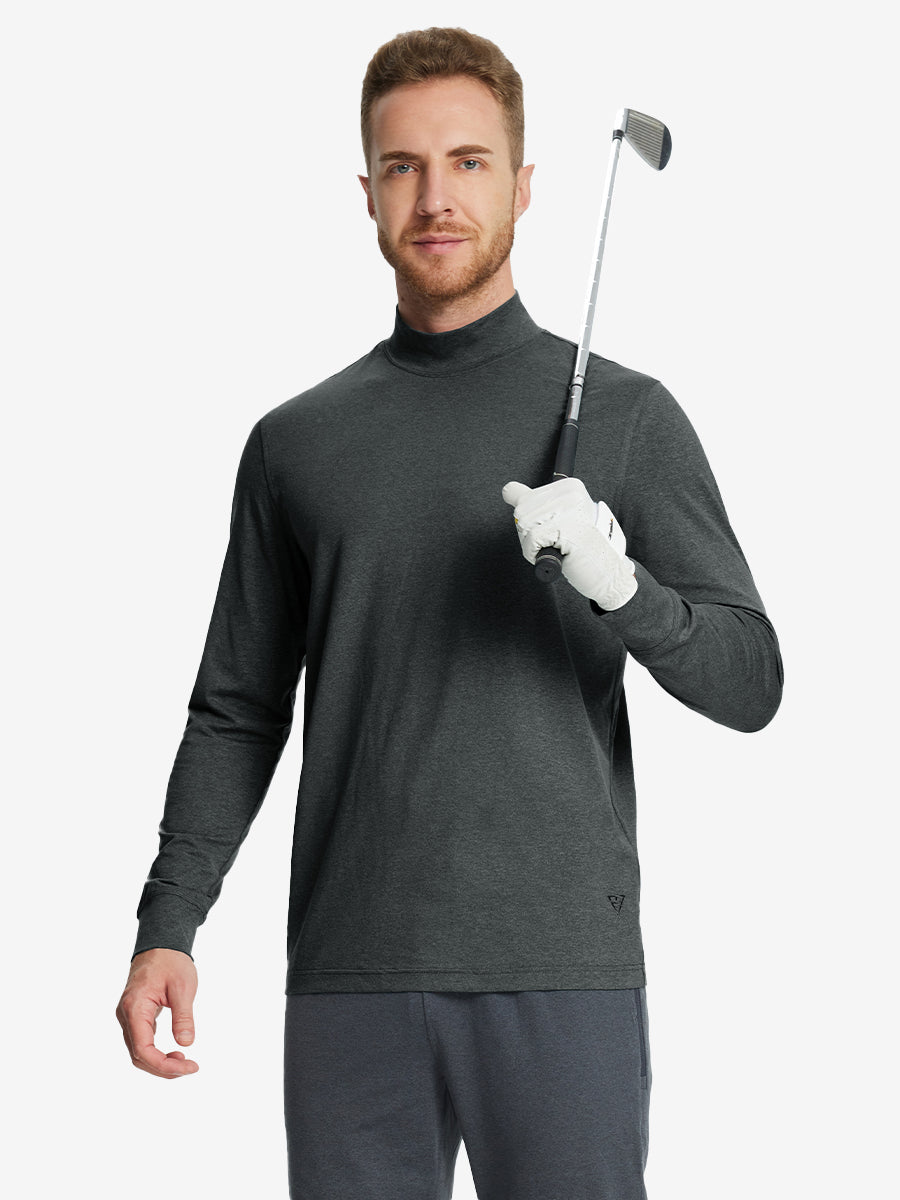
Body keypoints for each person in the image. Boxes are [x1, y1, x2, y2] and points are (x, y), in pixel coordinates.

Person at [115, 26, 783, 1200]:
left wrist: (621, 586)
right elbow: (237, 708)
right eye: (404, 167)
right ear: (366, 192)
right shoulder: (295, 443)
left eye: (469, 162)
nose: (435, 198)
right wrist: (169, 922)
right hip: (352, 974)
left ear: (523, 186)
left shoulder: (626, 416)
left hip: (561, 970)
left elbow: (751, 681)